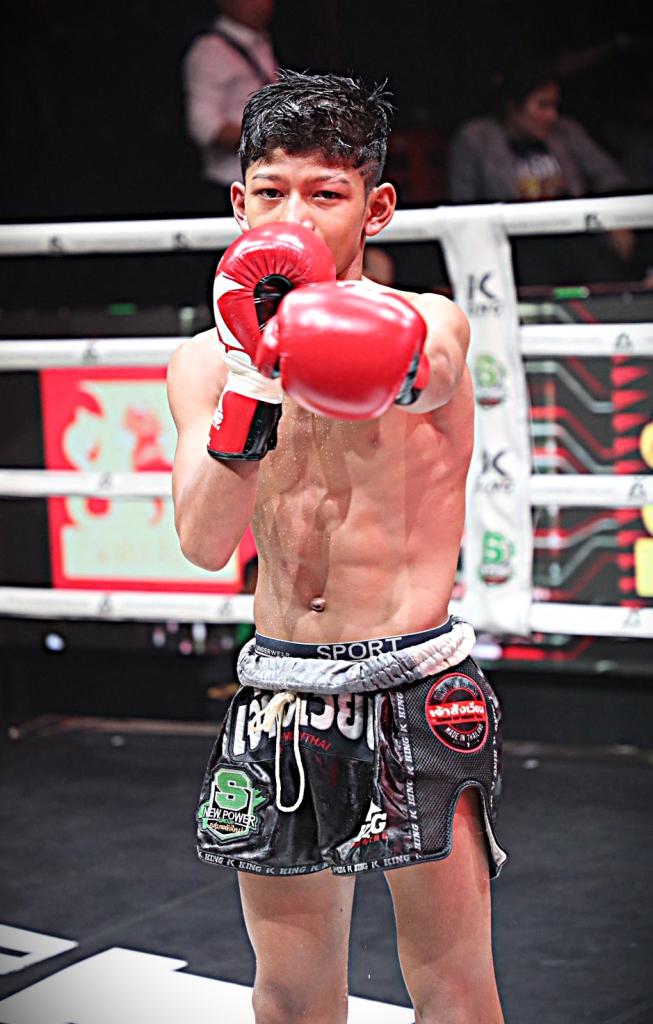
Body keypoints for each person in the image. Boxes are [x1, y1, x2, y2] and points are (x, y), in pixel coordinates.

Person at [168, 71, 506, 1024]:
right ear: (238, 204)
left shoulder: (429, 321)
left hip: (412, 684)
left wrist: (312, 338)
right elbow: (203, 542)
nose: (292, 218)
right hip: (278, 689)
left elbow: (425, 370)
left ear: (376, 207)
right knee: (286, 995)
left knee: (453, 990)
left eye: (325, 193)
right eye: (270, 192)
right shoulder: (203, 364)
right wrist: (252, 382)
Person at [448, 60, 636, 284]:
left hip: (571, 235)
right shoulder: (476, 138)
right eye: (542, 105)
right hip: (515, 242)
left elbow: (609, 176)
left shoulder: (566, 131)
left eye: (554, 106)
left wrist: (615, 221)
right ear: (513, 106)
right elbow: (462, 203)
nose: (551, 115)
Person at [182, 0, 278, 212]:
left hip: (265, 181)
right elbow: (205, 128)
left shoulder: (261, 41)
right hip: (228, 186)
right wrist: (271, 138)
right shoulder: (209, 50)